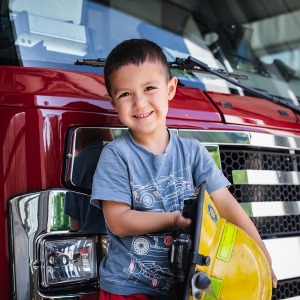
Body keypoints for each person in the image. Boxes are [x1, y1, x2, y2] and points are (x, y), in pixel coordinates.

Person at [90, 39, 277, 300]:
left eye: (149, 88)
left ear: (170, 89)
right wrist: (173, 219)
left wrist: (260, 253)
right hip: (130, 288)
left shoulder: (193, 152)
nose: (140, 103)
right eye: (125, 94)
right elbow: (118, 221)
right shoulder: (117, 155)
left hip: (183, 287)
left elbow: (226, 204)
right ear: (112, 102)